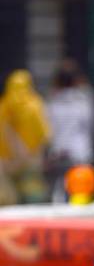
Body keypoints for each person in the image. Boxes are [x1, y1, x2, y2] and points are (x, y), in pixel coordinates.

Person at [46, 59, 94, 202]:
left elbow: (49, 128)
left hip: (59, 152)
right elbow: (90, 125)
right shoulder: (84, 98)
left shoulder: (53, 100)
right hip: (81, 152)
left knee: (59, 196)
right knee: (82, 196)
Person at [0, 70, 51, 204]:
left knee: (8, 206)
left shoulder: (3, 106)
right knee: (33, 203)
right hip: (31, 162)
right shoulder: (35, 105)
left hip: (7, 165)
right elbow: (45, 135)